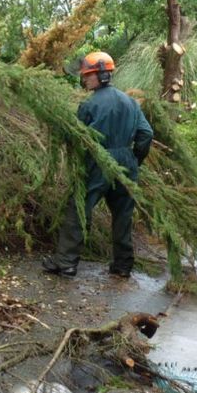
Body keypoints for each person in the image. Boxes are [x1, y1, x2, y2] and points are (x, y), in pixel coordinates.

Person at [42, 51, 153, 279]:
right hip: (126, 161)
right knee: (123, 215)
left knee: (79, 209)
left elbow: (77, 136)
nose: (84, 79)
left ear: (101, 75)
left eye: (88, 75)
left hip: (98, 160)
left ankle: (66, 263)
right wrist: (134, 160)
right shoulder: (131, 102)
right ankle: (123, 265)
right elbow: (146, 134)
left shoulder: (89, 104)